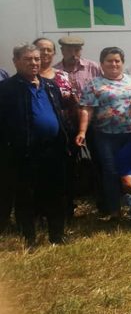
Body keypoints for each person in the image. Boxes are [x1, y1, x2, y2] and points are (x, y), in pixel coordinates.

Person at [0, 44, 74, 247]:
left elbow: (59, 112)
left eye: (36, 59)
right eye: (27, 59)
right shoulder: (6, 89)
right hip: (23, 151)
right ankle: (29, 238)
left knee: (55, 194)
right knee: (26, 196)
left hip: (53, 149)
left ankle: (57, 235)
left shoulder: (50, 86)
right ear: (15, 62)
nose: (33, 63)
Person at [76, 47, 131, 217]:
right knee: (110, 171)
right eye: (109, 61)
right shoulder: (94, 84)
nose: (114, 64)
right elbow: (87, 109)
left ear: (122, 63)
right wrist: (82, 131)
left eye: (117, 60)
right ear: (102, 64)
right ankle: (114, 211)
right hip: (106, 136)